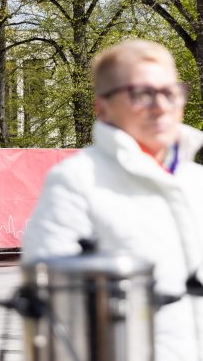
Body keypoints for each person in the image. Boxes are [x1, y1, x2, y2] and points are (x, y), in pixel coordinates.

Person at [23, 39, 203, 361]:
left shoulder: (196, 181)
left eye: (170, 92)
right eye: (141, 94)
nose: (161, 106)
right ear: (102, 107)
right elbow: (50, 306)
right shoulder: (75, 182)